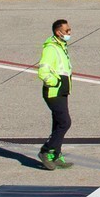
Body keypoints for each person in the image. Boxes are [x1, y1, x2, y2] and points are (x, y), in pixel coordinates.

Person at [37, 18, 74, 168]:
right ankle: (45, 151)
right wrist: (56, 82)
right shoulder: (51, 48)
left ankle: (55, 154)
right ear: (58, 32)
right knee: (65, 122)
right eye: (67, 31)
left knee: (58, 123)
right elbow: (42, 71)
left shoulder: (61, 45)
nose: (69, 33)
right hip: (54, 91)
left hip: (62, 90)